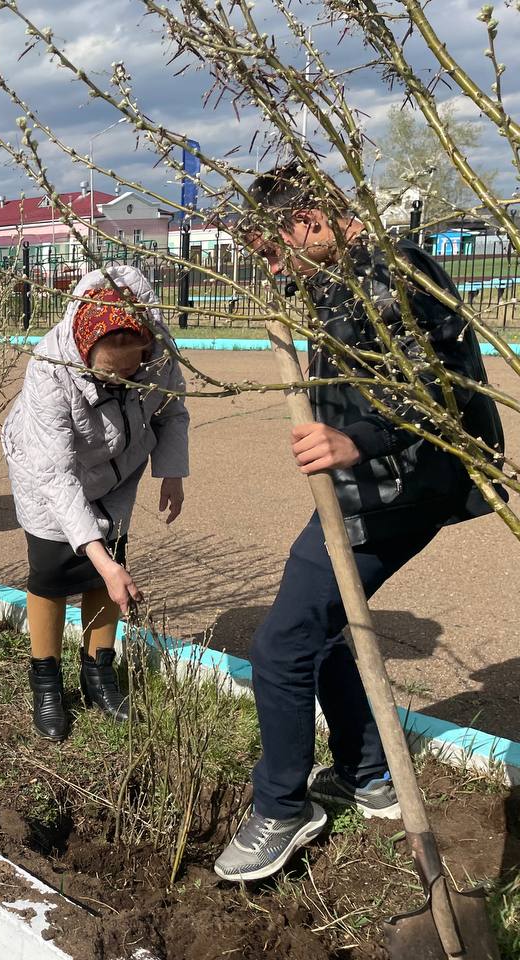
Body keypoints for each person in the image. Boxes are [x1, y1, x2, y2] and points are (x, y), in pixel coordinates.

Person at [214, 163, 506, 882]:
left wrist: (357, 440)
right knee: (323, 627)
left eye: (275, 251)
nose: (275, 268)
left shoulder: (391, 272)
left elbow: (431, 387)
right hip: (384, 487)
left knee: (283, 646)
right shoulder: (345, 272)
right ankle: (365, 771)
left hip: (397, 489)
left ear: (309, 219)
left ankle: (282, 808)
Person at [0, 264, 189, 741]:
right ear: (85, 350)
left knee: (108, 569)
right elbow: (56, 473)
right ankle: (46, 682)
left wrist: (171, 471)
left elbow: (172, 409)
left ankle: (98, 674)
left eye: (132, 369)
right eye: (110, 371)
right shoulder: (50, 367)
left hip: (117, 468)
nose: (123, 380)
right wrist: (102, 560)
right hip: (47, 470)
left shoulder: (159, 354)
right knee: (53, 571)